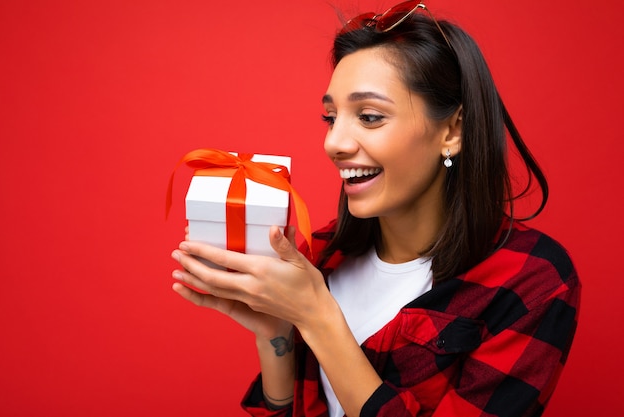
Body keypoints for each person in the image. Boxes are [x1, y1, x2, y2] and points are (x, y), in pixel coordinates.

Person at [170, 2, 581, 416]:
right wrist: (275, 333)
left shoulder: (534, 281)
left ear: (452, 131)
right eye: (331, 117)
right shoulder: (322, 255)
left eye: (368, 116)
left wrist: (318, 319)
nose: (334, 144)